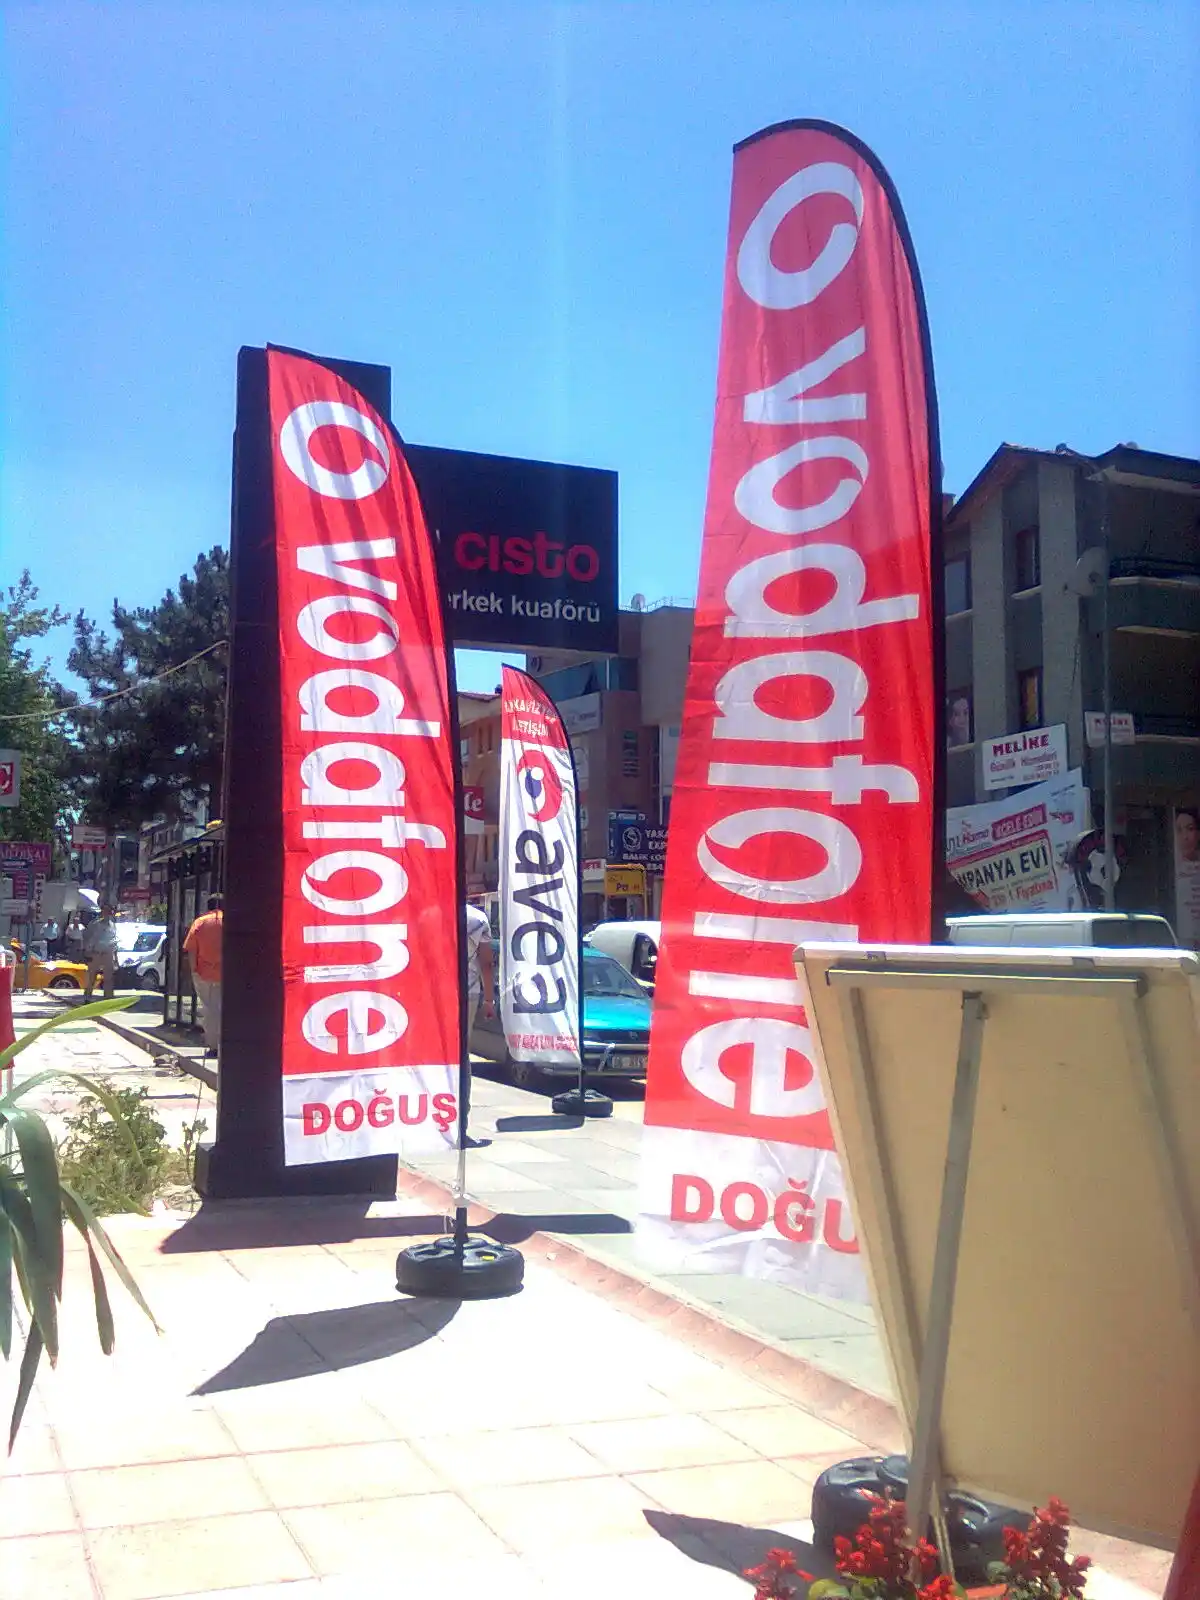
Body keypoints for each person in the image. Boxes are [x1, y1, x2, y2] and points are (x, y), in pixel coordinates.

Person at [461, 900, 495, 1147]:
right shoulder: (477, 919)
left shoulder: (432, 912)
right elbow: (486, 963)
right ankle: (461, 1121)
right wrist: (489, 999)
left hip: (435, 992)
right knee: (462, 1056)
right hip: (468, 992)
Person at [183, 894, 224, 1056]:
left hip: (204, 973)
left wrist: (194, 970)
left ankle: (214, 1046)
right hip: (226, 973)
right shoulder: (229, 921)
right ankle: (224, 1044)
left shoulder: (200, 922)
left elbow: (191, 949)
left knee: (209, 1008)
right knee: (222, 1008)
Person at [82, 906, 119, 1000]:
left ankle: (108, 997)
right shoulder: (95, 924)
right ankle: (87, 996)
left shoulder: (113, 926)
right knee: (92, 976)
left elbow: (114, 942)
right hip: (96, 953)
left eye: (109, 912)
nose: (108, 914)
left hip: (108, 954)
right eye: (106, 912)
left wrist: (115, 958)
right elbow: (87, 937)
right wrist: (87, 951)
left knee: (108, 977)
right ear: (102, 913)